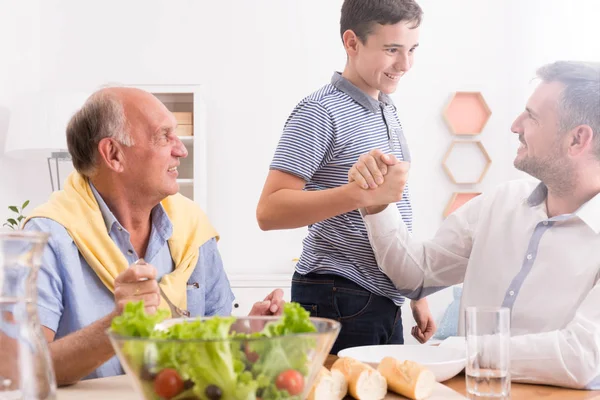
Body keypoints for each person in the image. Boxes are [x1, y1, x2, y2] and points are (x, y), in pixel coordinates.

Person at [349, 60, 600, 389]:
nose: (515, 125)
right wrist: (377, 203)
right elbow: (416, 274)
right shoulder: (500, 203)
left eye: (532, 116)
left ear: (577, 139)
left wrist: (457, 350)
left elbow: (581, 357)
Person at [23, 87, 284, 385]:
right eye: (164, 136)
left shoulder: (192, 229)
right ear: (113, 154)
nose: (181, 150)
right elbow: (22, 367)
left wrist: (248, 331)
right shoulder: (46, 237)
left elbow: (212, 341)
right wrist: (118, 326)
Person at [256, 0, 435, 354]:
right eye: (391, 50)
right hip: (338, 294)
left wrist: (413, 288)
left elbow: (391, 207)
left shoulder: (386, 108)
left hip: (380, 298)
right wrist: (358, 194)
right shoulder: (319, 112)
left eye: (412, 49)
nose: (405, 64)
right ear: (352, 43)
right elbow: (269, 211)